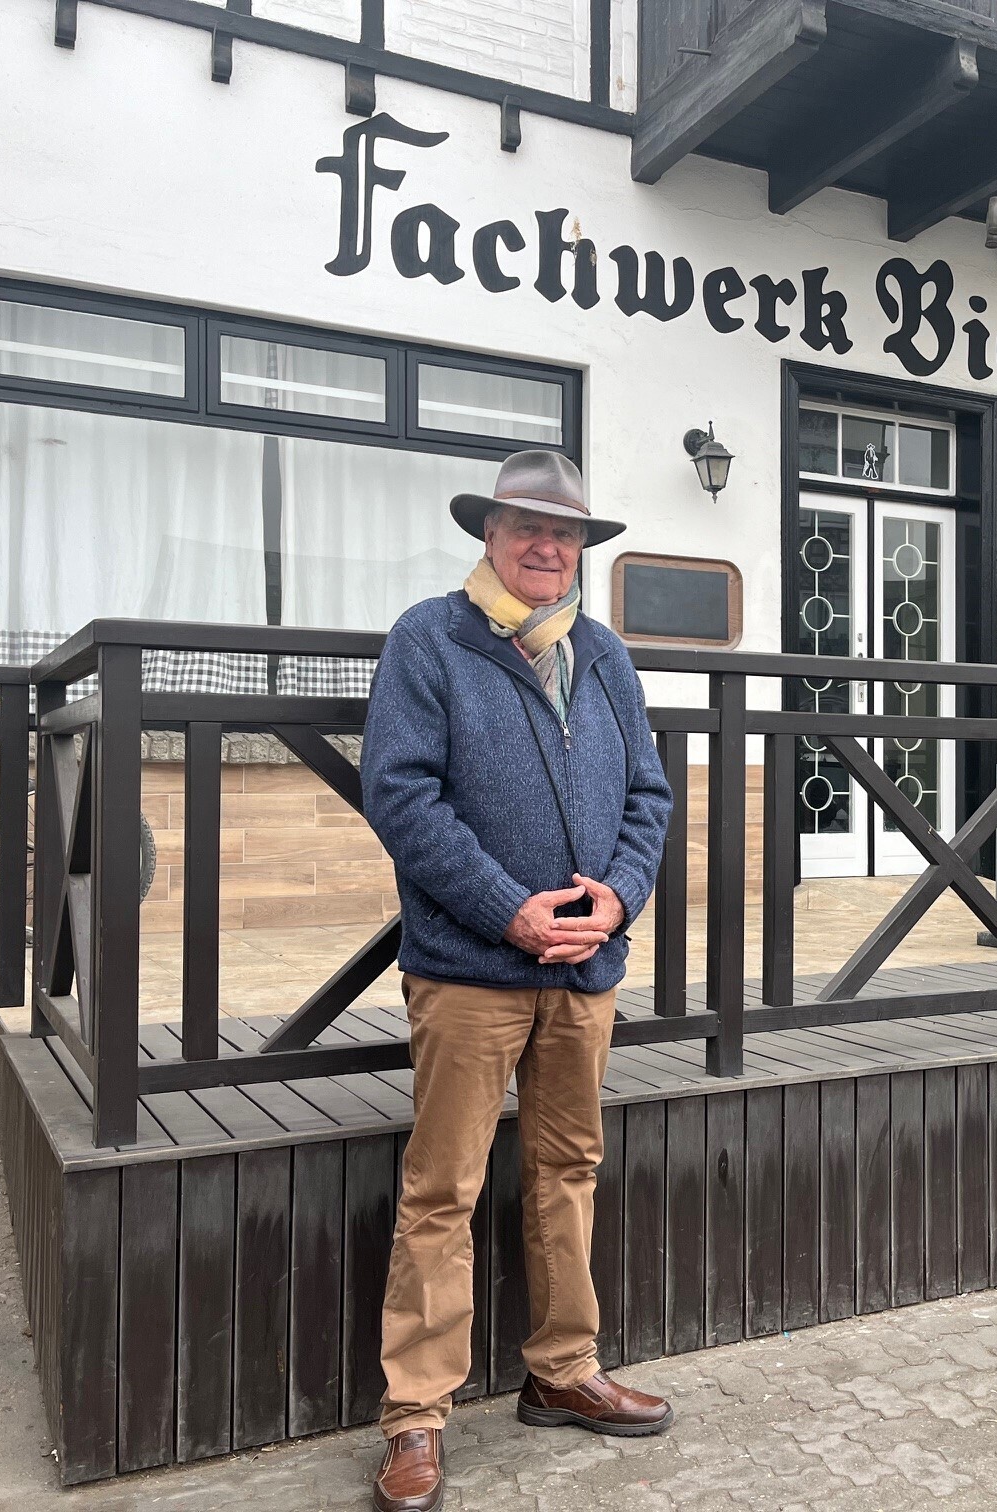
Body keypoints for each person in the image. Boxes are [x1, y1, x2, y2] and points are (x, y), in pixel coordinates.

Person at [360, 450, 674, 1512]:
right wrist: (509, 908)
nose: (548, 548)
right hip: (470, 968)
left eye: (566, 534)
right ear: (487, 535)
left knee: (567, 1168)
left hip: (586, 968)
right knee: (441, 1189)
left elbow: (648, 794)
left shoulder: (605, 652)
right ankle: (415, 1420)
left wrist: (620, 896)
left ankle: (563, 1371)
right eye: (526, 528)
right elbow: (401, 796)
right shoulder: (428, 638)